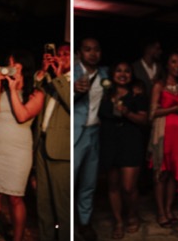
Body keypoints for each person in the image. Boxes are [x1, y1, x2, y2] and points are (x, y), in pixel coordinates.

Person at [0, 50, 44, 241]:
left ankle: (18, 238)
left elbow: (22, 115)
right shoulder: (1, 88)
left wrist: (15, 89)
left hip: (18, 150)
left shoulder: (36, 92)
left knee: (15, 197)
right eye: (8, 64)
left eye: (14, 64)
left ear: (24, 67)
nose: (10, 68)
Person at [98, 61, 148, 239]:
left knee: (128, 187)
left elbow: (144, 120)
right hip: (110, 141)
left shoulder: (137, 95)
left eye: (127, 71)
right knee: (112, 185)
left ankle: (133, 215)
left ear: (131, 74)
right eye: (118, 70)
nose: (123, 74)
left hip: (130, 142)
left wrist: (127, 113)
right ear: (112, 74)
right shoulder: (104, 93)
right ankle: (118, 221)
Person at [149, 51, 178, 228]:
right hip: (163, 134)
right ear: (167, 64)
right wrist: (174, 109)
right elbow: (152, 113)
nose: (177, 65)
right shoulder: (159, 85)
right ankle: (160, 212)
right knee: (162, 174)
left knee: (175, 174)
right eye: (173, 62)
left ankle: (168, 209)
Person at [34, 44, 71, 241]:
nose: (61, 58)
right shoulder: (53, 79)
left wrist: (58, 77)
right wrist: (43, 70)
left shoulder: (77, 81)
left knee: (63, 207)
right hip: (42, 145)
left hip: (62, 151)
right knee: (43, 204)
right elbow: (36, 88)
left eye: (66, 54)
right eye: (59, 54)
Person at [73, 37, 107, 240]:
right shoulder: (73, 73)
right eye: (87, 50)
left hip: (95, 132)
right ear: (80, 52)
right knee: (71, 181)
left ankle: (85, 222)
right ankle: (67, 223)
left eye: (96, 49)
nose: (92, 53)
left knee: (89, 182)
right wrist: (74, 90)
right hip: (75, 134)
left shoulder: (105, 74)